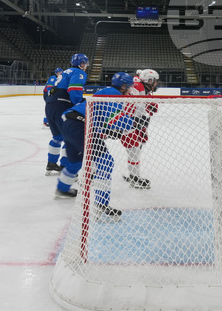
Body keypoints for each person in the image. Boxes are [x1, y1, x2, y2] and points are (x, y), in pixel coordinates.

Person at [54, 72, 134, 221]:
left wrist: (108, 130)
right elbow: (115, 119)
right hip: (80, 125)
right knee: (106, 161)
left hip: (69, 123)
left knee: (75, 162)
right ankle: (101, 204)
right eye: (128, 87)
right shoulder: (114, 93)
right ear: (123, 86)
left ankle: (62, 189)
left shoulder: (106, 91)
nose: (129, 90)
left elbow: (103, 120)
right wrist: (134, 122)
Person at [45, 54, 89, 175]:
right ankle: (65, 167)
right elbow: (74, 89)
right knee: (69, 138)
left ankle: (51, 163)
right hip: (62, 104)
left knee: (57, 137)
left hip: (50, 104)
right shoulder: (79, 73)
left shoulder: (65, 72)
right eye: (85, 64)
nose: (85, 66)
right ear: (82, 64)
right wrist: (78, 103)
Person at [121, 68, 160, 189]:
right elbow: (131, 105)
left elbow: (142, 104)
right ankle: (134, 178)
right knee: (134, 150)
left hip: (134, 121)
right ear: (148, 80)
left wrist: (149, 107)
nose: (156, 83)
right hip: (129, 122)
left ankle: (133, 175)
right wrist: (136, 120)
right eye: (154, 81)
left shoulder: (143, 88)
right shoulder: (138, 86)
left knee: (136, 149)